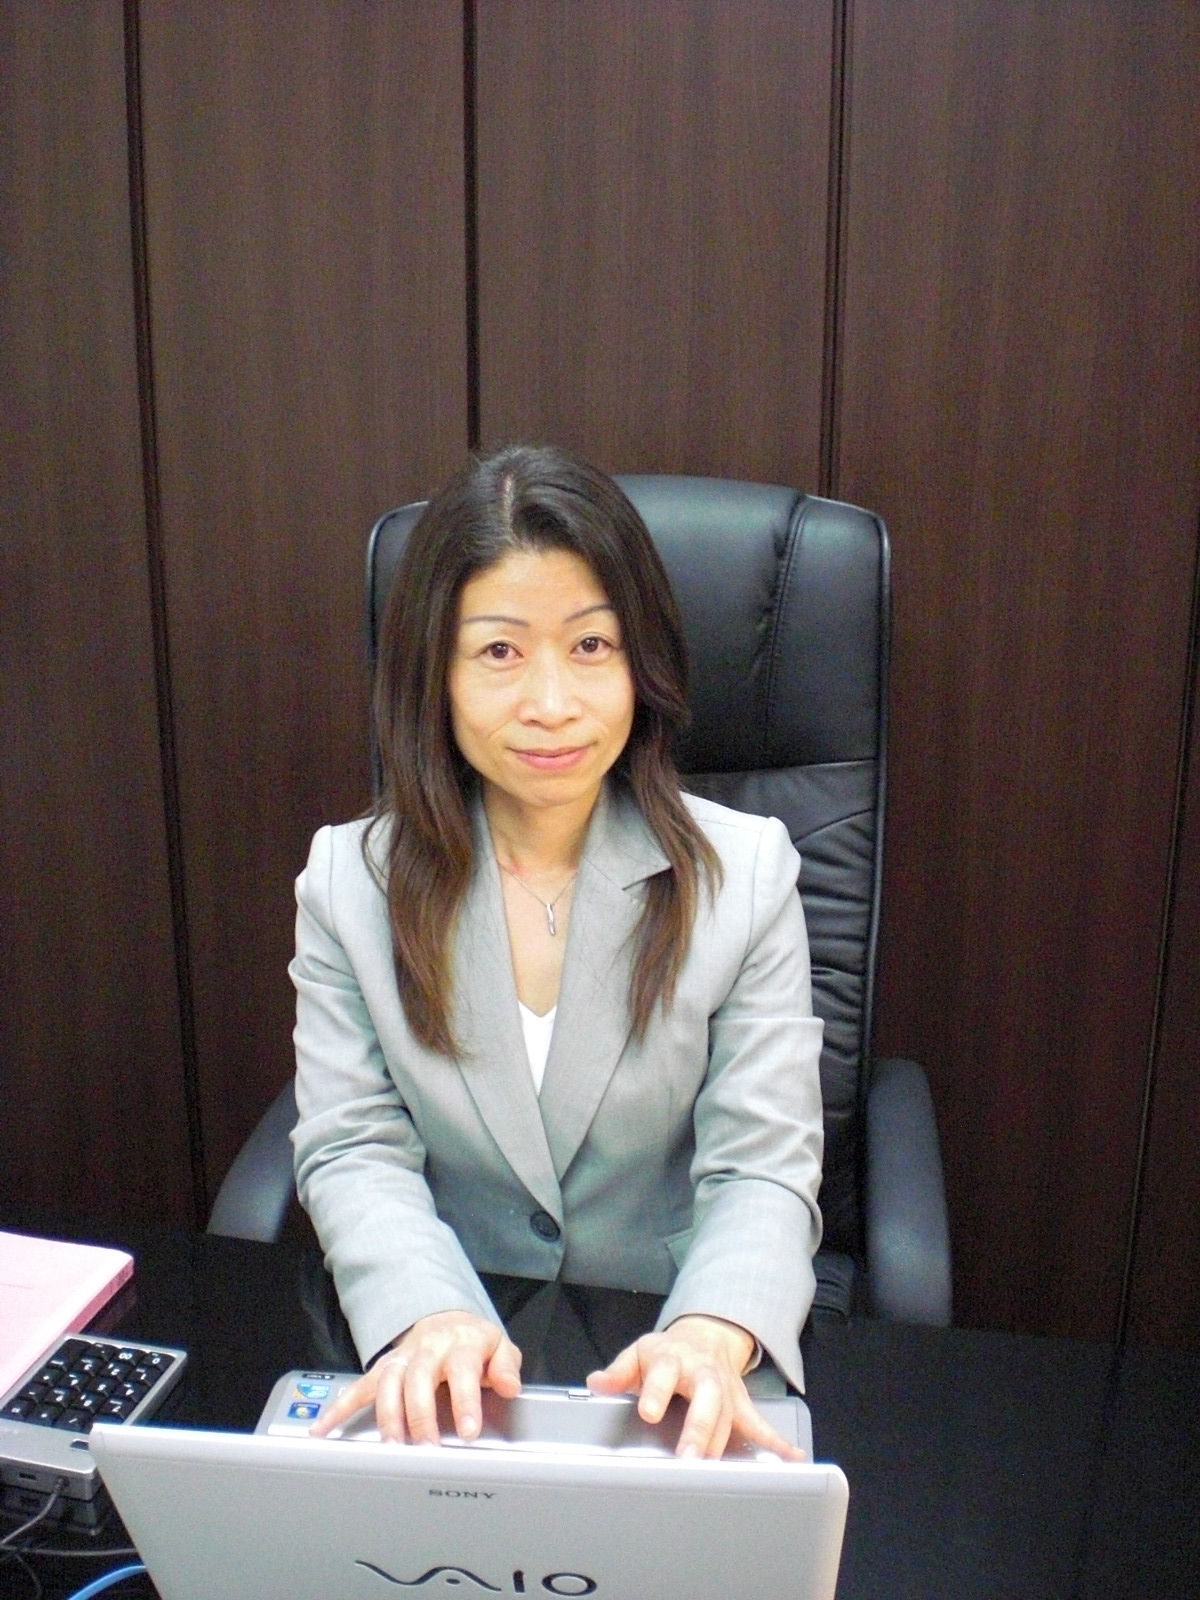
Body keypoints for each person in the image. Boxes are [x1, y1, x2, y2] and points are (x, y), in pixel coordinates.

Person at [290, 444, 824, 1461]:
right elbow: (353, 1146)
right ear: (435, 672)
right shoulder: (349, 885)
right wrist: (426, 1314)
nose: (551, 702)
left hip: (668, 1370)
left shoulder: (745, 875)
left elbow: (763, 1163)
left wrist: (713, 1330)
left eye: (591, 645)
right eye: (499, 651)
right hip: (448, 1373)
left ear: (641, 660)